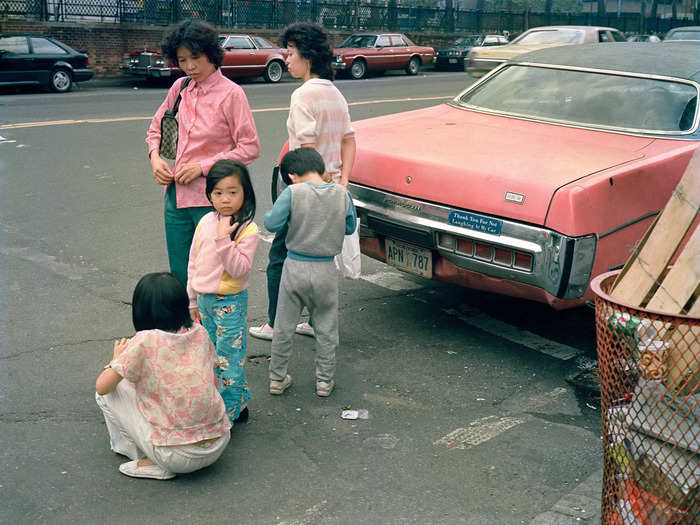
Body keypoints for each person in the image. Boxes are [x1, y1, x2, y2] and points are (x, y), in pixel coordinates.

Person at [249, 22, 356, 342]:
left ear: (307, 56)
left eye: (291, 53)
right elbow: (349, 140)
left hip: (302, 188)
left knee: (281, 257)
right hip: (334, 188)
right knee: (320, 257)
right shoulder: (335, 94)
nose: (287, 60)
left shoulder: (302, 95)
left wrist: (306, 182)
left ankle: (275, 323)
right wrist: (343, 181)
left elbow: (306, 148)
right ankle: (313, 320)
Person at [146, 19, 260, 289]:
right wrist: (155, 158)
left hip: (214, 199)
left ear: (211, 54)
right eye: (182, 60)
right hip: (176, 196)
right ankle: (185, 326)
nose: (189, 67)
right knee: (180, 269)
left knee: (211, 271)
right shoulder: (181, 88)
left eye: (195, 58)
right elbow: (155, 131)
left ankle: (212, 326)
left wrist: (203, 166)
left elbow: (250, 147)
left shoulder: (232, 94)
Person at [95, 272, 231, 480]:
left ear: (141, 310)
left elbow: (102, 386)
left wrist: (116, 359)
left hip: (176, 457)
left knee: (110, 391)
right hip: (218, 442)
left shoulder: (144, 339)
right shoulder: (200, 333)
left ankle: (143, 456)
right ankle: (156, 451)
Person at [264, 148, 356, 398]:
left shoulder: (293, 192)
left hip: (294, 266)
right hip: (325, 268)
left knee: (283, 326)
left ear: (292, 176)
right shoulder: (341, 194)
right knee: (326, 328)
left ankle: (277, 378)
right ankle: (324, 382)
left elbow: (271, 223)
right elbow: (349, 228)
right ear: (319, 167)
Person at [187, 159, 259, 423]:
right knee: (212, 358)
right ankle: (238, 403)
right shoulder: (206, 220)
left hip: (229, 302)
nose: (225, 199)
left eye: (232, 192)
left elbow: (240, 268)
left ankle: (226, 416)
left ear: (245, 193)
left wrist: (223, 240)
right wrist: (191, 299)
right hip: (204, 302)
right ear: (209, 195)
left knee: (230, 360)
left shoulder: (247, 229)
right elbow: (193, 260)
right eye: (218, 193)